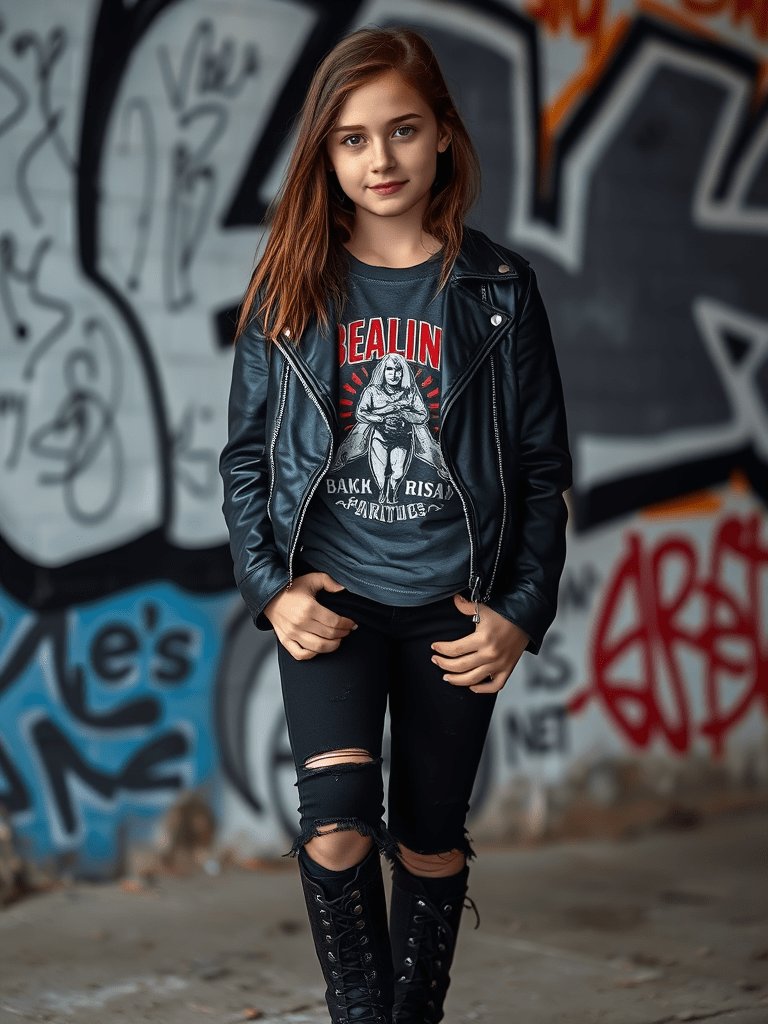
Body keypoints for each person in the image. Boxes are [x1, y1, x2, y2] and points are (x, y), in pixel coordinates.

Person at [219, 25, 572, 1024]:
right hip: (332, 602)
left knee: (429, 838)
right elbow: (246, 458)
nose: (381, 160)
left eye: (404, 131)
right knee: (336, 829)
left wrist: (520, 611)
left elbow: (543, 469)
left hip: (454, 612)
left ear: (446, 137)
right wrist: (267, 587)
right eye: (353, 139)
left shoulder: (500, 291)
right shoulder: (290, 286)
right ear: (325, 156)